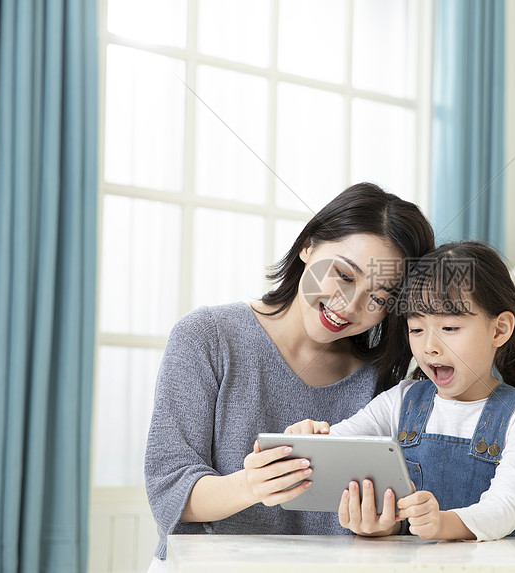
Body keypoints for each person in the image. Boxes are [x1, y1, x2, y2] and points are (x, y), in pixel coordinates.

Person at [144, 182, 435, 569]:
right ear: (308, 246)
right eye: (344, 276)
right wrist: (249, 485)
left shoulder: (383, 381)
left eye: (379, 298)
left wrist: (381, 527)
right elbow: (169, 490)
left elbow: (401, 514)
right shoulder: (207, 336)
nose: (349, 306)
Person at [286, 240, 515, 541]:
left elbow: (509, 505)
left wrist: (443, 523)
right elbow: (340, 444)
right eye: (416, 329)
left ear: (499, 329)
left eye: (450, 329)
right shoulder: (401, 401)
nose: (429, 347)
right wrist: (309, 441)